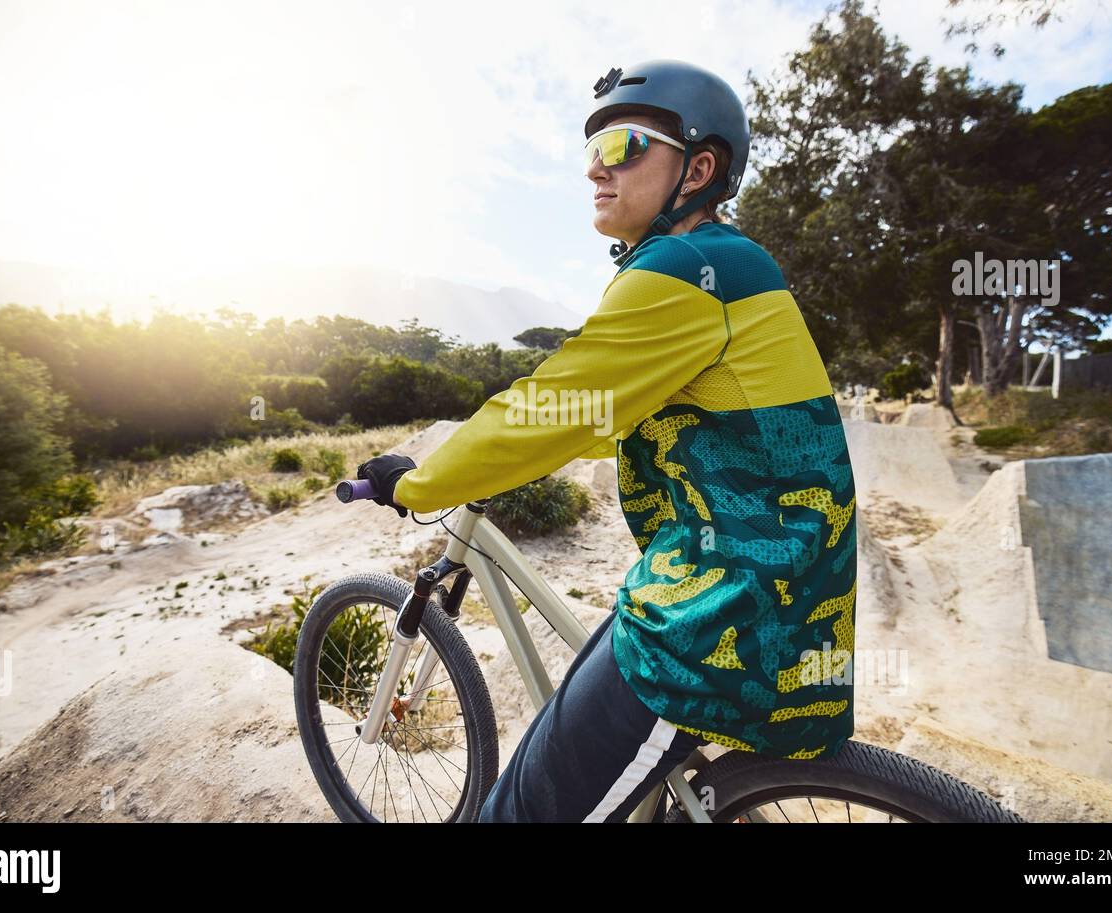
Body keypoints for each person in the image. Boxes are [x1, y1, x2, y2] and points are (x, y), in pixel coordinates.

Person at [358, 59, 857, 823]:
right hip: (749, 580)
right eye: (590, 148)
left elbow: (559, 407)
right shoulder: (726, 264)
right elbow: (631, 407)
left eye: (624, 143)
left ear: (698, 167)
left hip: (725, 609)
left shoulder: (689, 268)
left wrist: (422, 479)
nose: (596, 165)